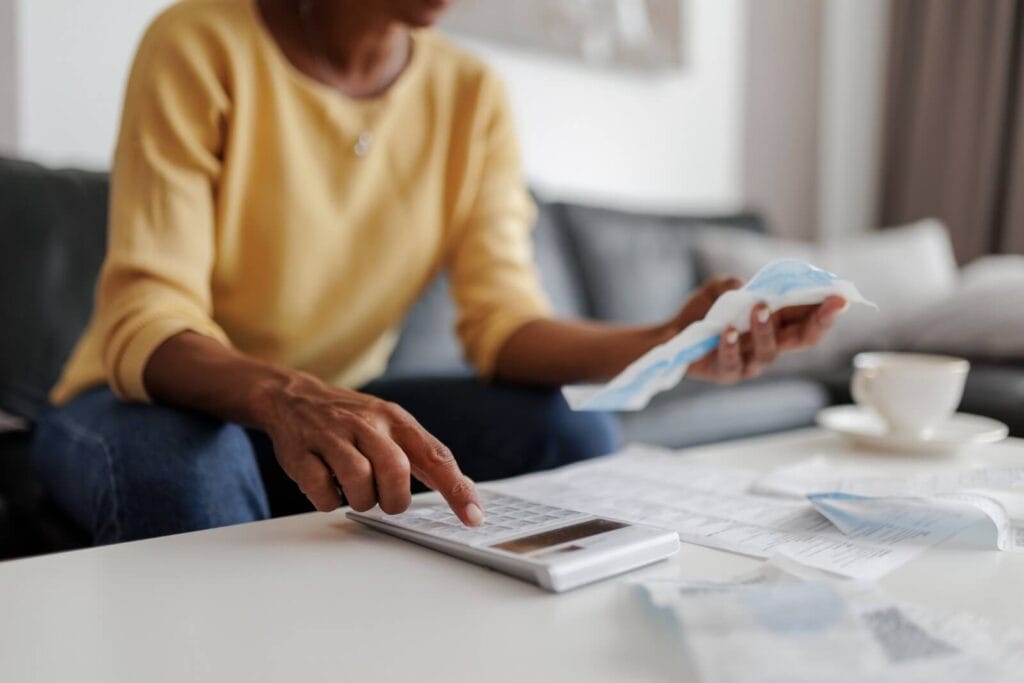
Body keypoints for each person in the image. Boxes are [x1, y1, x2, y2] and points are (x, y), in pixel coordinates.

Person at [32, 0, 846, 544]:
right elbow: (150, 315)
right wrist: (287, 394)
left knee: (573, 428)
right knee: (193, 467)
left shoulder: (470, 95)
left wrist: (666, 341)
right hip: (145, 394)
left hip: (330, 405)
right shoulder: (199, 41)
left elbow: (503, 324)